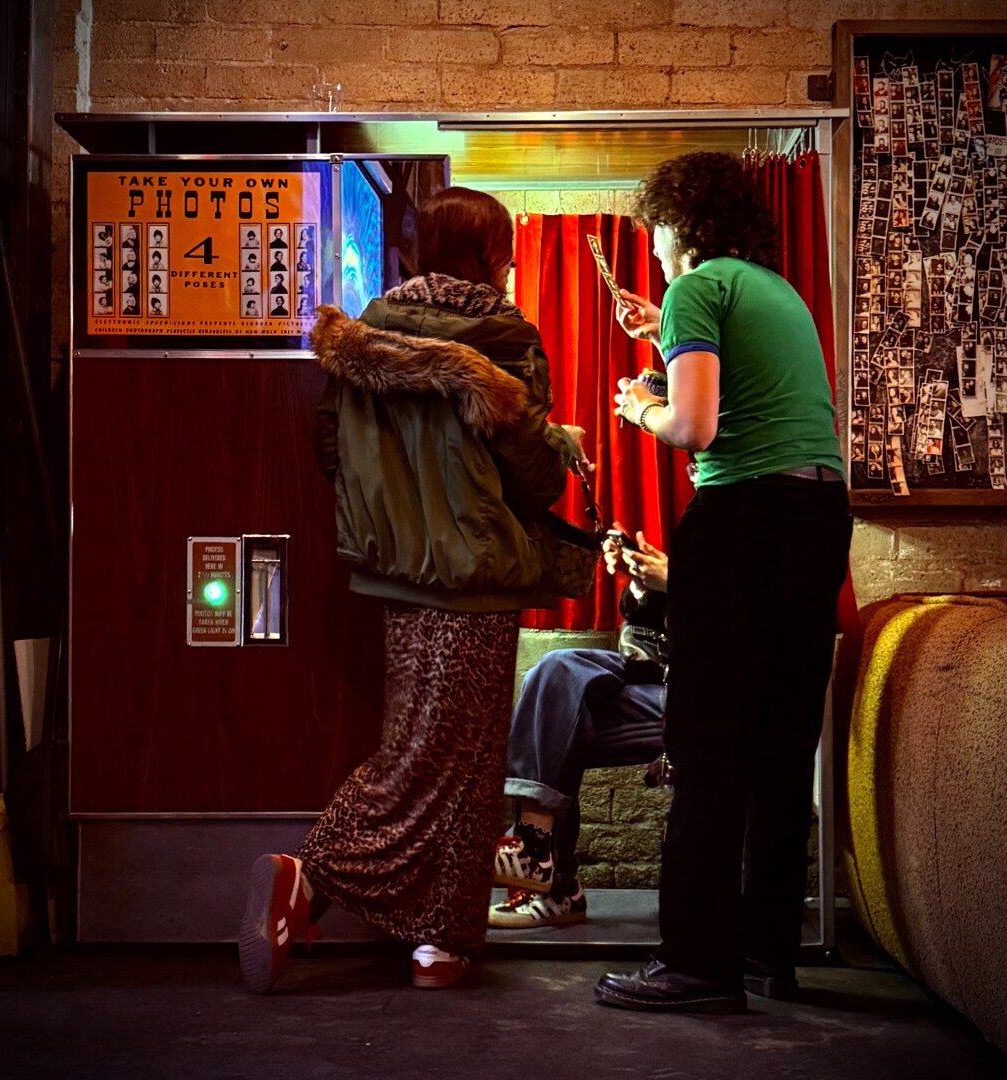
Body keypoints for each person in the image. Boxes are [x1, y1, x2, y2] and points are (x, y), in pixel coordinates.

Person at [238, 186, 587, 994]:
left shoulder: (368, 330)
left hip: (395, 573)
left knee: (437, 750)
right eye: (503, 250)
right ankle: (314, 879)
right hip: (475, 576)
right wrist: (558, 446)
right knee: (445, 759)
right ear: (487, 253)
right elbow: (533, 479)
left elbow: (331, 444)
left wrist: (399, 506)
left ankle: (440, 936)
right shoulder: (505, 335)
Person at [595, 151, 852, 1015]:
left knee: (705, 746)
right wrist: (661, 332)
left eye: (655, 233)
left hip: (741, 517)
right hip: (817, 519)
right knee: (780, 745)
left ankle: (696, 965)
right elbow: (744, 384)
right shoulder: (777, 292)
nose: (654, 250)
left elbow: (695, 424)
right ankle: (766, 954)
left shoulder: (695, 289)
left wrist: (640, 407)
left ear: (681, 226)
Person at [490, 528, 668, 929]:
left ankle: (551, 880)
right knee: (555, 673)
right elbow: (654, 625)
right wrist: (644, 581)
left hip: (706, 689)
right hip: (657, 669)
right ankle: (538, 854)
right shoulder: (712, 523)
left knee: (556, 723)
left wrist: (674, 581)